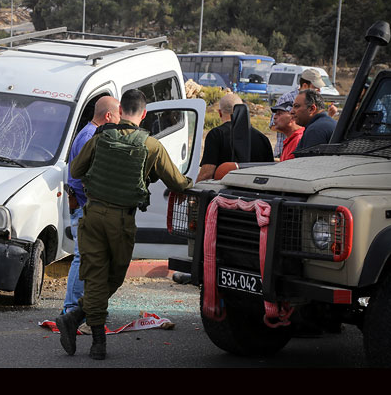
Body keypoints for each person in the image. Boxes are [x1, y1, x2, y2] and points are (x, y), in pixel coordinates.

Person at [56, 89, 193, 360]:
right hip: (120, 221)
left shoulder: (100, 137)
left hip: (92, 216)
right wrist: (195, 186)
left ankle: (75, 318)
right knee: (113, 277)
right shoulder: (151, 145)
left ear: (122, 111)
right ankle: (97, 342)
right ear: (143, 114)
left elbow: (75, 171)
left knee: (97, 277)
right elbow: (177, 183)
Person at [63, 96, 120, 316]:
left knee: (84, 257)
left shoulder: (87, 133)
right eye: (116, 116)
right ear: (108, 116)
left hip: (81, 205)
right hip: (84, 206)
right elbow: (86, 175)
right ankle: (71, 309)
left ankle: (75, 308)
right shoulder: (90, 136)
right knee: (83, 257)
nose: (118, 121)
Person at [197, 92, 273, 182]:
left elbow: (207, 174)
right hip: (255, 193)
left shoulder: (216, 135)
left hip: (224, 192)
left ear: (220, 113)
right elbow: (270, 172)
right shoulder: (262, 138)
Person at [270, 69, 338, 157]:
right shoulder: (286, 98)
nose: (292, 112)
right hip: (283, 151)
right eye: (316, 88)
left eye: (296, 106)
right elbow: (273, 125)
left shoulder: (314, 131)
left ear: (312, 108)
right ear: (305, 85)